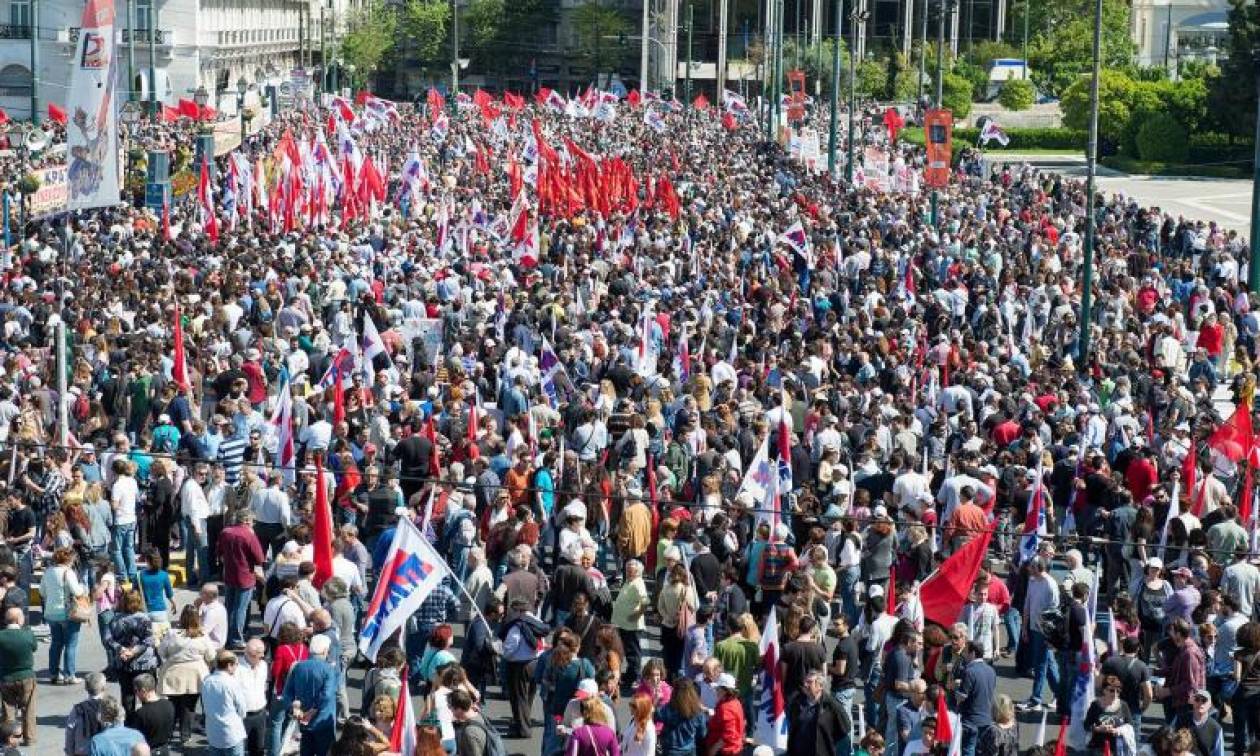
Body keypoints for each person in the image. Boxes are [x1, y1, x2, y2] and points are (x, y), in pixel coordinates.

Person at [156, 604, 216, 743]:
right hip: (196, 675)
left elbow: (162, 652)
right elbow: (211, 656)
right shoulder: (202, 635)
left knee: (173, 704)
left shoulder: (172, 634)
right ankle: (185, 734)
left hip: (174, 673)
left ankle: (169, 731)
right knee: (189, 706)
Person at [281, 633, 339, 756]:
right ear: (325, 651)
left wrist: (294, 709)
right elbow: (327, 695)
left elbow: (287, 693)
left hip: (302, 721)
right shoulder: (328, 669)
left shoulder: (298, 666)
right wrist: (313, 711)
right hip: (323, 722)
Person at [216, 509, 265, 650]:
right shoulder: (249, 535)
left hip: (229, 574)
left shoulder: (225, 532)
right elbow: (259, 558)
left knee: (229, 607)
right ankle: (236, 638)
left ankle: (226, 635)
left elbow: (218, 552)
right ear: (247, 521)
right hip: (245, 576)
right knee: (240, 609)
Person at [106, 591, 159, 715]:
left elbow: (108, 639)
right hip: (144, 663)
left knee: (127, 695)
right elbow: (148, 640)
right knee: (147, 693)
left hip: (124, 662)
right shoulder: (144, 618)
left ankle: (129, 723)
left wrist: (122, 649)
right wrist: (133, 651)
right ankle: (148, 719)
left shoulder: (115, 619)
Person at [41, 545, 86, 685]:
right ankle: (69, 675)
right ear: (69, 559)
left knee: (56, 644)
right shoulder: (68, 572)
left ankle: (53, 673)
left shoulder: (48, 572)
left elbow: (42, 592)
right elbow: (77, 592)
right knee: (70, 645)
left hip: (51, 612)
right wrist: (83, 587)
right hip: (67, 613)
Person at [785, 670, 852, 756]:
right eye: (805, 681)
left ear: (820, 686)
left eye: (809, 682)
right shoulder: (797, 703)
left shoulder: (832, 706)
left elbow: (845, 729)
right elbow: (792, 728)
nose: (805, 684)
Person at [201, 651, 249, 756]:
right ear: (229, 665)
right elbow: (242, 709)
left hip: (213, 732)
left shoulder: (206, 681)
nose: (237, 667)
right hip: (231, 733)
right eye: (236, 664)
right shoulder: (232, 683)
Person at [0, 607, 35, 746]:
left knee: (8, 708)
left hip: (6, 677)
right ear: (19, 619)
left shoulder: (1, 636)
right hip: (26, 676)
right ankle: (29, 738)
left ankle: (9, 738)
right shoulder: (27, 634)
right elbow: (34, 647)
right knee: (28, 708)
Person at [955, 641, 997, 756]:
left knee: (968, 749)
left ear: (973, 653)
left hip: (971, 720)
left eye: (965, 651)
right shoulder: (991, 670)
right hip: (986, 719)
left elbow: (962, 697)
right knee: (980, 751)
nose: (963, 654)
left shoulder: (969, 671)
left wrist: (956, 689)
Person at [231, 639, 268, 756]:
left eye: (263, 654)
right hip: (243, 716)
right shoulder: (236, 669)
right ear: (250, 654)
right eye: (259, 654)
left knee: (258, 748)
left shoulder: (263, 665)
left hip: (260, 714)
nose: (262, 657)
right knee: (238, 749)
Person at [124, 674, 174, 756]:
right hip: (164, 749)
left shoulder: (141, 713)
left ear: (143, 691)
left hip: (147, 751)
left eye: (136, 690)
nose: (136, 694)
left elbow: (134, 736)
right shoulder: (169, 705)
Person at [1084, 674, 1136, 752]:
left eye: (1118, 691)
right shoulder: (1095, 705)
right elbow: (1086, 725)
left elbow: (1130, 725)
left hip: (1117, 748)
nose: (1115, 694)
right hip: (1098, 747)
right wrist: (1098, 729)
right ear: (1104, 690)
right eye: (1111, 690)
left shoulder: (1123, 705)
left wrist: (1118, 730)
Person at [656, 678, 707, 756]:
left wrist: (656, 700)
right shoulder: (698, 712)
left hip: (670, 749)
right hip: (690, 749)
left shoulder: (668, 709)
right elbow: (702, 734)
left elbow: (654, 716)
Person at [65, 672, 109, 756]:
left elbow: (70, 732)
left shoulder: (77, 709)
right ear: (104, 688)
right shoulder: (109, 707)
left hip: (82, 752)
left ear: (86, 688)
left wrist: (70, 752)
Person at [702, 673, 745, 756]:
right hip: (731, 747)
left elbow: (729, 734)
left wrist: (713, 749)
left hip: (726, 751)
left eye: (718, 689)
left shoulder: (726, 707)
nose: (715, 691)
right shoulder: (734, 702)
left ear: (725, 691)